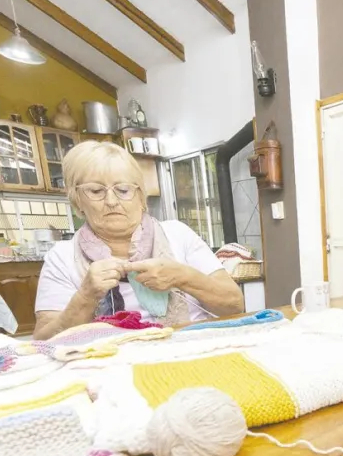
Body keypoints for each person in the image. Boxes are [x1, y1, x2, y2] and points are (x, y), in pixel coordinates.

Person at [34, 141, 244, 339]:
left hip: (191, 347)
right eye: (96, 191)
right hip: (112, 359)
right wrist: (85, 297)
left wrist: (183, 277)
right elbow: (43, 340)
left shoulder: (178, 235)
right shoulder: (62, 257)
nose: (111, 201)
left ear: (141, 197)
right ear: (78, 200)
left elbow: (235, 305)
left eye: (123, 190)